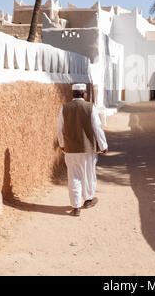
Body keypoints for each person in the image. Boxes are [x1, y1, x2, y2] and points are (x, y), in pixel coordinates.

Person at [57, 84, 108, 217]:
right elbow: (97, 127)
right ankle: (88, 199)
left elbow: (59, 129)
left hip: (70, 150)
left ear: (73, 94)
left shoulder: (65, 108)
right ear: (84, 94)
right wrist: (103, 145)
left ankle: (76, 207)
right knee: (88, 175)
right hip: (87, 149)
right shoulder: (90, 107)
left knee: (73, 177)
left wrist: (62, 144)